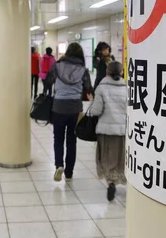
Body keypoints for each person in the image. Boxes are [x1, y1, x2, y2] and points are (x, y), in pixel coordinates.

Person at [47, 42, 93, 181]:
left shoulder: (57, 66)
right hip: (75, 108)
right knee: (72, 141)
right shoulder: (83, 70)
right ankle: (69, 172)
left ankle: (59, 165)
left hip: (59, 106)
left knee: (58, 138)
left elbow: (48, 81)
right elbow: (89, 88)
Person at [90, 61, 127, 201]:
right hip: (122, 130)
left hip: (105, 131)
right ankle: (123, 178)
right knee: (120, 157)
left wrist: (92, 102)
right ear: (122, 73)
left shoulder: (101, 88)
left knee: (107, 157)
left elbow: (96, 110)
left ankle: (111, 182)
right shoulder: (127, 88)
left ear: (107, 73)